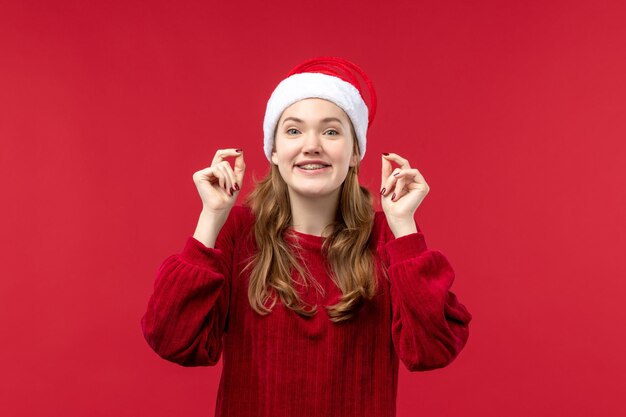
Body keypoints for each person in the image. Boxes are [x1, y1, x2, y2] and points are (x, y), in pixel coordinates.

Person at [140, 56, 472, 417]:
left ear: (355, 152)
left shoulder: (387, 238)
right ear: (274, 152)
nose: (311, 145)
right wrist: (211, 217)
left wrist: (404, 225)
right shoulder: (235, 232)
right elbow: (172, 340)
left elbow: (433, 350)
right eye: (294, 131)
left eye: (331, 131)